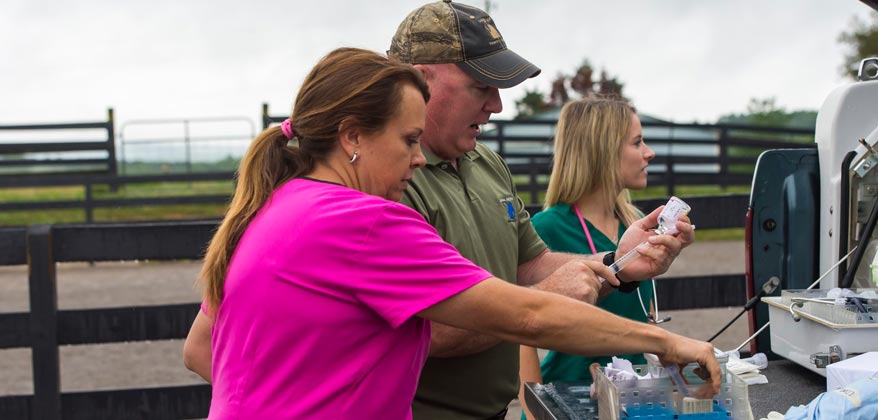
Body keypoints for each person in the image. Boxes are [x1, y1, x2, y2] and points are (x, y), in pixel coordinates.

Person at [182, 47, 720, 419]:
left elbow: (202, 352)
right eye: (408, 139)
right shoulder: (362, 220)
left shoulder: (272, 204)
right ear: (352, 137)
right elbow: (530, 313)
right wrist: (666, 341)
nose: (418, 158)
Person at [387, 2, 697, 419]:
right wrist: (540, 303)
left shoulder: (486, 163)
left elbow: (530, 264)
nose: (496, 105)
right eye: (481, 86)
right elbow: (425, 331)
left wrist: (620, 263)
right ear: (422, 79)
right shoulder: (388, 176)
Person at [518, 97, 659, 419]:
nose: (648, 153)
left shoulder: (635, 221)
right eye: (637, 143)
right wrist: (534, 409)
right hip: (567, 401)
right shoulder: (546, 227)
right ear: (604, 150)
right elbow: (519, 332)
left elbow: (645, 315)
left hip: (634, 402)